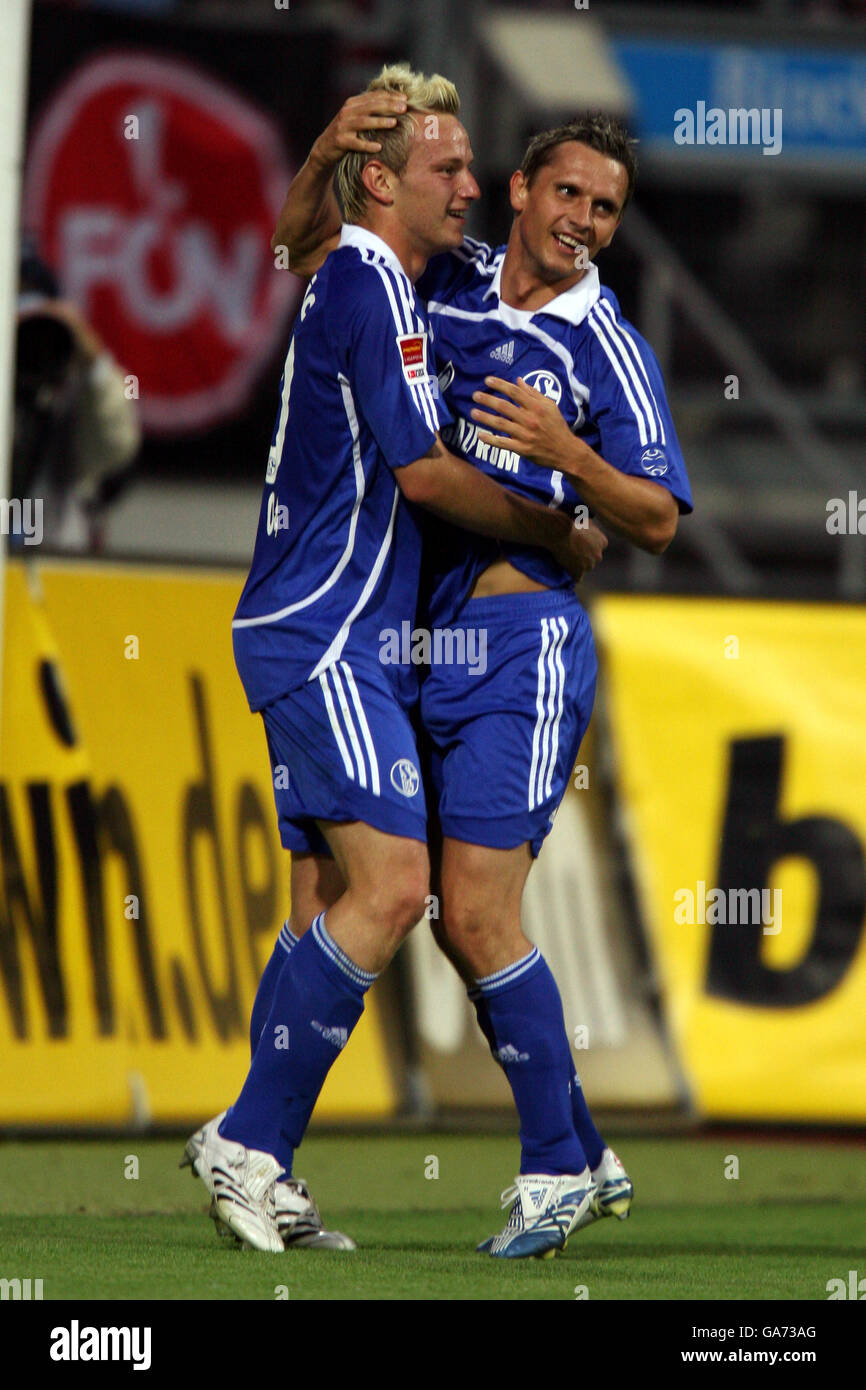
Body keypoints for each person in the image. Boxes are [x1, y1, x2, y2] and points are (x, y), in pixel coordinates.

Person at [270, 73, 693, 1258]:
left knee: (475, 909)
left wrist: (571, 459)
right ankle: (577, 1142)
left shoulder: (607, 347)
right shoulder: (443, 282)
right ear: (519, 190)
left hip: (523, 646)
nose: (584, 221)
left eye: (606, 208)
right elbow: (302, 251)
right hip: (419, 640)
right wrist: (322, 152)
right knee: (450, 917)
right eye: (568, 193)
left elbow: (655, 518)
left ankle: (554, 1164)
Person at [182, 67, 603, 1254]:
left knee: (326, 897)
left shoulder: (371, 274)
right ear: (384, 181)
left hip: (326, 628)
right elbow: (420, 473)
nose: (471, 185)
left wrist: (318, 157)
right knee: (396, 889)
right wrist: (554, 527)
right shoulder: (368, 281)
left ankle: (264, 1158)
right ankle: (249, 1141)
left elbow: (289, 238)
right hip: (324, 625)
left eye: (472, 166)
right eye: (447, 170)